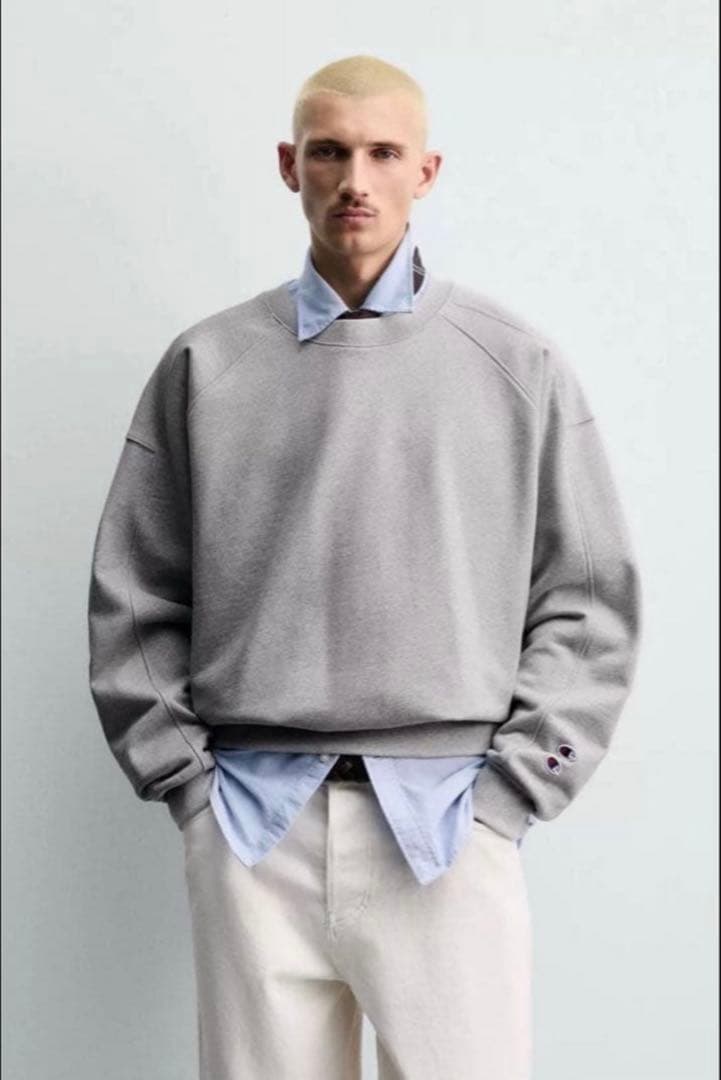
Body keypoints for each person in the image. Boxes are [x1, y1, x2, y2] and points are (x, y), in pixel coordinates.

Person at [87, 54, 642, 1080]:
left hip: (447, 820)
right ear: (288, 165)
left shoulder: (514, 365)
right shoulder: (207, 364)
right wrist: (189, 789)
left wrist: (511, 795)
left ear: (425, 171)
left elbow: (588, 598)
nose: (356, 181)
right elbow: (134, 590)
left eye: (384, 153)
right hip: (251, 822)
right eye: (330, 153)